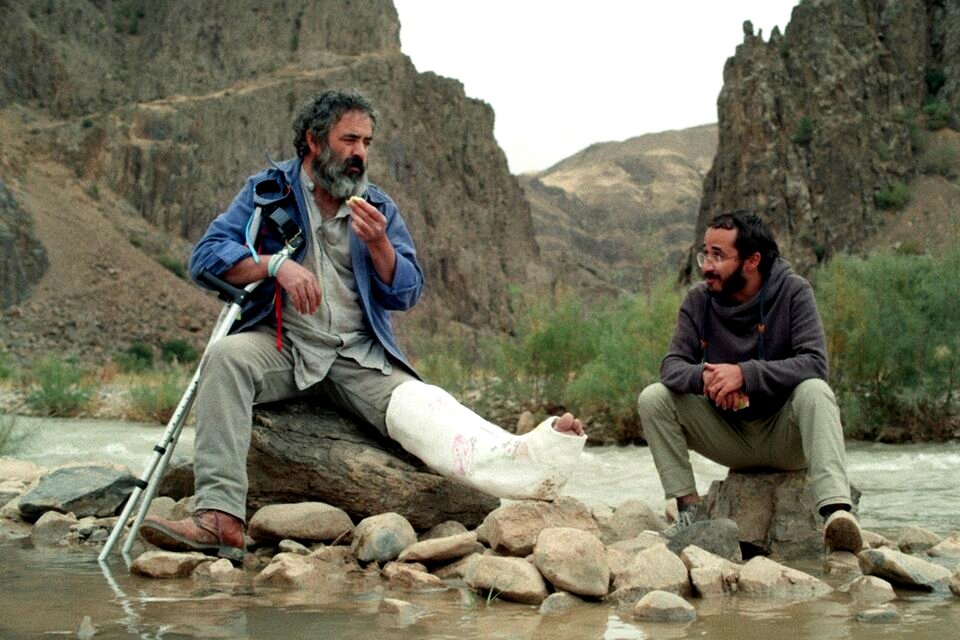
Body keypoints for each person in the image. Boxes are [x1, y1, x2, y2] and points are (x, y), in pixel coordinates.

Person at [141, 89, 586, 561]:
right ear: (313, 141)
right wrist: (274, 266)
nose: (360, 153)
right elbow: (204, 259)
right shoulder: (267, 193)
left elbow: (408, 291)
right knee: (225, 359)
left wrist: (380, 247)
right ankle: (220, 519)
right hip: (284, 345)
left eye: (367, 142)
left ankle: (531, 458)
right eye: (349, 139)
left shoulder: (377, 207)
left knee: (427, 409)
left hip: (358, 355)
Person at [636, 211, 862, 553]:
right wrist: (711, 379)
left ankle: (836, 513)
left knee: (816, 391)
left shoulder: (794, 292)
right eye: (705, 253)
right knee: (654, 398)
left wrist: (744, 374)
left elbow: (815, 362)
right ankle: (689, 510)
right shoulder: (699, 300)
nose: (706, 265)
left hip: (786, 437)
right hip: (730, 436)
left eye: (718, 256)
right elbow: (672, 367)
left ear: (752, 260)